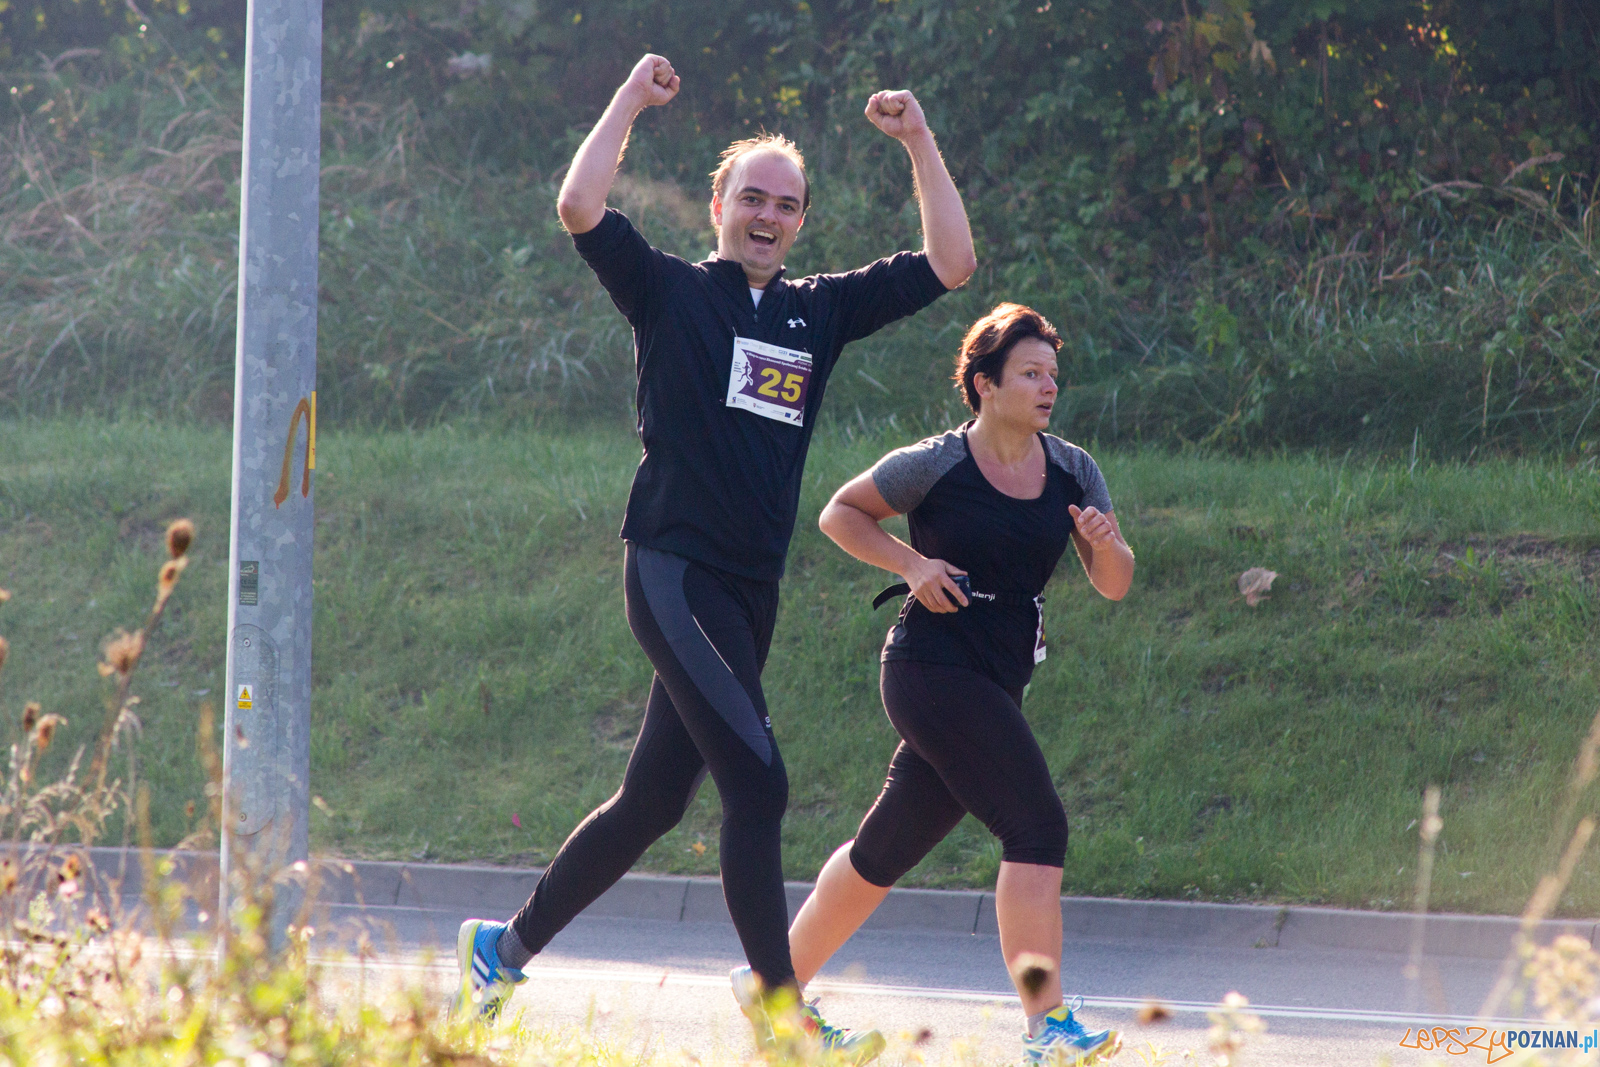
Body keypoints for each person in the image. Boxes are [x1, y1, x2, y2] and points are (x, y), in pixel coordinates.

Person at [451, 51, 976, 1057]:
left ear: (800, 221)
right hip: (672, 570)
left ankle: (502, 948)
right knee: (760, 784)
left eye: (785, 205)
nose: (767, 216)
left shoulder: (815, 312)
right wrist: (628, 101)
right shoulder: (668, 292)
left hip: (747, 590)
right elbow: (576, 203)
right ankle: (781, 1015)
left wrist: (917, 140)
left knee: (653, 798)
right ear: (719, 204)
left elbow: (950, 263)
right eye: (751, 198)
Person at [775, 303, 1134, 1066]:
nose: (1048, 388)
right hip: (928, 669)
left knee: (886, 845)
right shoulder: (935, 462)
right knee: (1036, 827)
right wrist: (911, 563)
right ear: (984, 384)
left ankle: (775, 985)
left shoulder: (1072, 468)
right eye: (1031, 374)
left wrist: (1105, 546)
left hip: (999, 677)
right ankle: (1048, 1029)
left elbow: (1114, 584)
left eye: (1053, 375)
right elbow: (841, 513)